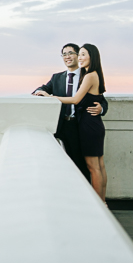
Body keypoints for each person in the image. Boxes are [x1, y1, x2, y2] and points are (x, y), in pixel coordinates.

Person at [35, 43, 108, 201]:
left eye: (72, 53)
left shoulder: (86, 75)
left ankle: (92, 201)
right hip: (63, 125)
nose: (67, 56)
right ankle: (97, 202)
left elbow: (99, 99)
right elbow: (42, 88)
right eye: (64, 54)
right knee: (90, 166)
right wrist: (39, 93)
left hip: (81, 125)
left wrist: (101, 108)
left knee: (86, 166)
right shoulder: (57, 78)